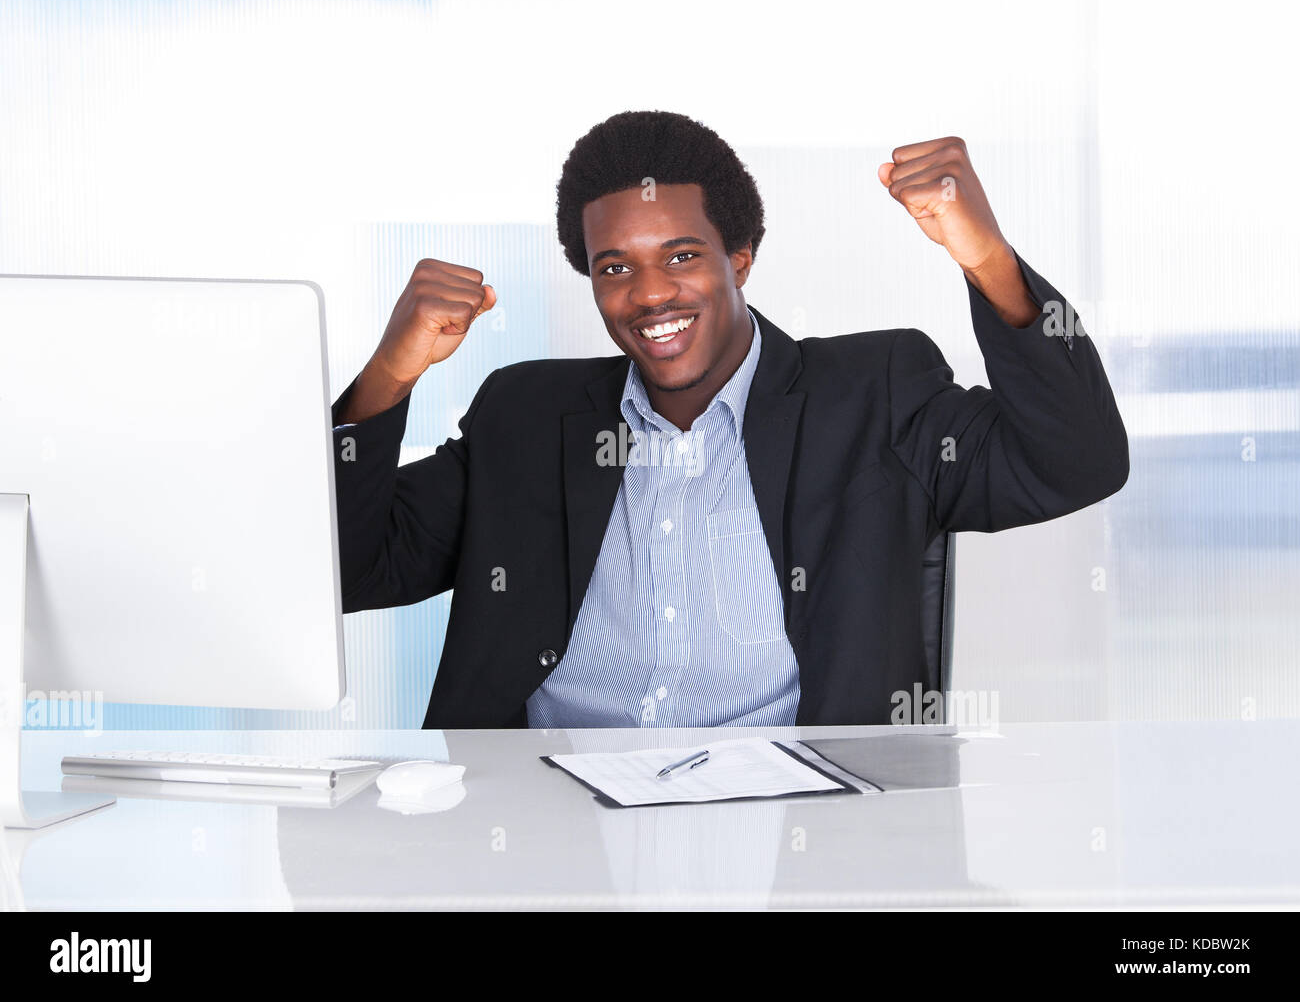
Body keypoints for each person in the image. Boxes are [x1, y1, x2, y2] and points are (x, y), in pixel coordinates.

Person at [331, 110, 1128, 729]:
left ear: (739, 257)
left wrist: (986, 257)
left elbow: (1077, 460)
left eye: (681, 256)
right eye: (616, 268)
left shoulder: (874, 396)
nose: (648, 295)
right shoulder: (527, 417)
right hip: (543, 833)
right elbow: (349, 567)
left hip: (793, 836)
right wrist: (388, 378)